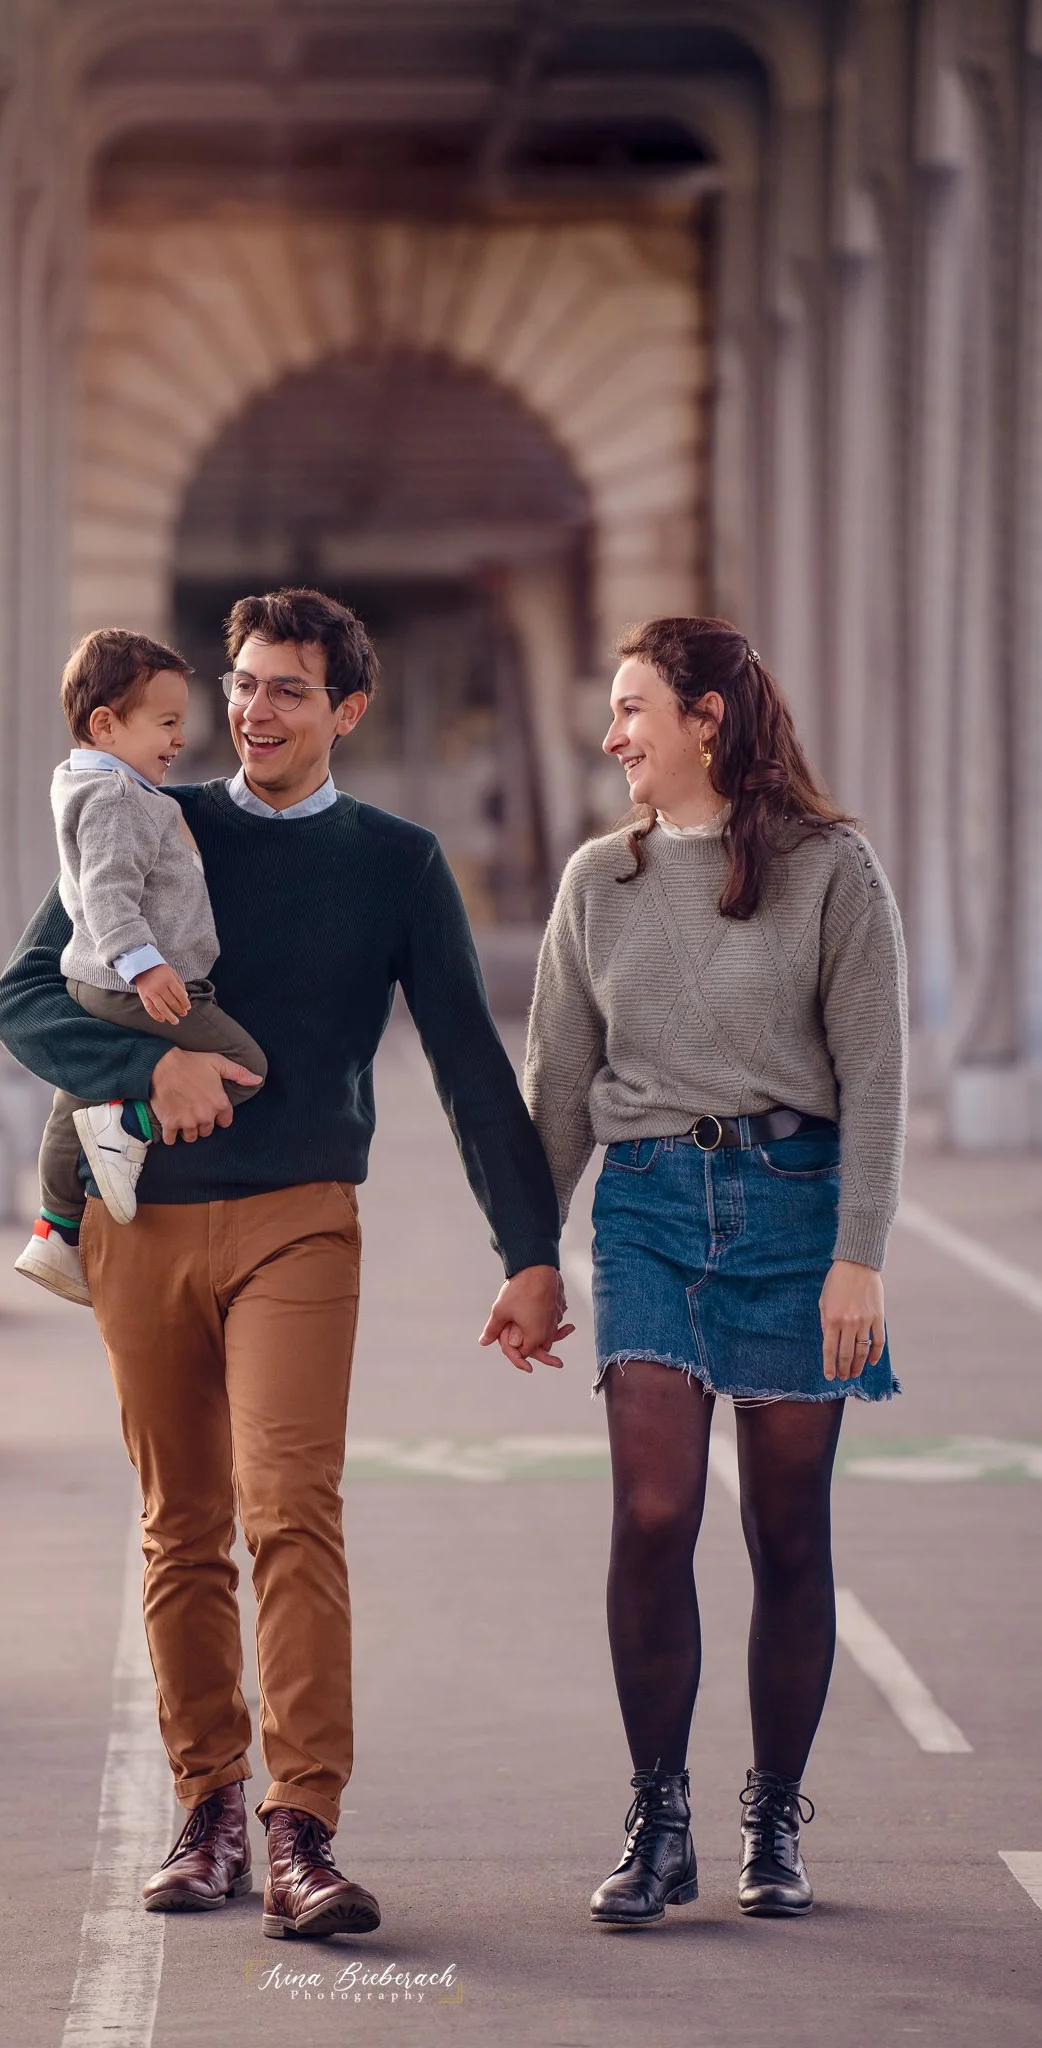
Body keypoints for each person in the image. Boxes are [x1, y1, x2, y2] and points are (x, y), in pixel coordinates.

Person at [0, 587, 566, 1939]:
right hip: (146, 1221)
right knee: (179, 1525)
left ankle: (301, 1828)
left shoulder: (396, 862)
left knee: (288, 1505)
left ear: (346, 709)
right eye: (241, 684)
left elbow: (475, 1072)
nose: (251, 710)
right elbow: (25, 997)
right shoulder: (148, 816)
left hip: (301, 1214)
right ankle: (206, 1811)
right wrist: (154, 1066)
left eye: (286, 689)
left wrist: (530, 1251)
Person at [525, 615, 907, 1927]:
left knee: (785, 1528)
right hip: (645, 1209)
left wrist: (858, 1259)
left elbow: (874, 1074)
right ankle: (656, 1815)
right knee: (650, 1512)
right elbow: (558, 1088)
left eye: (631, 709)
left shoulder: (831, 871)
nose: (610, 735)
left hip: (797, 1213)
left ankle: (772, 1818)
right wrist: (530, 1255)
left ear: (705, 719)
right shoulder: (597, 882)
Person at [14, 629, 267, 1306]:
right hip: (138, 985)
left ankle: (56, 1229)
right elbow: (107, 891)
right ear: (105, 724)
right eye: (166, 723)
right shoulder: (119, 801)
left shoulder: (90, 788)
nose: (180, 739)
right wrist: (145, 966)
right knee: (244, 1069)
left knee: (75, 1099)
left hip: (96, 982)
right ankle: (130, 1127)